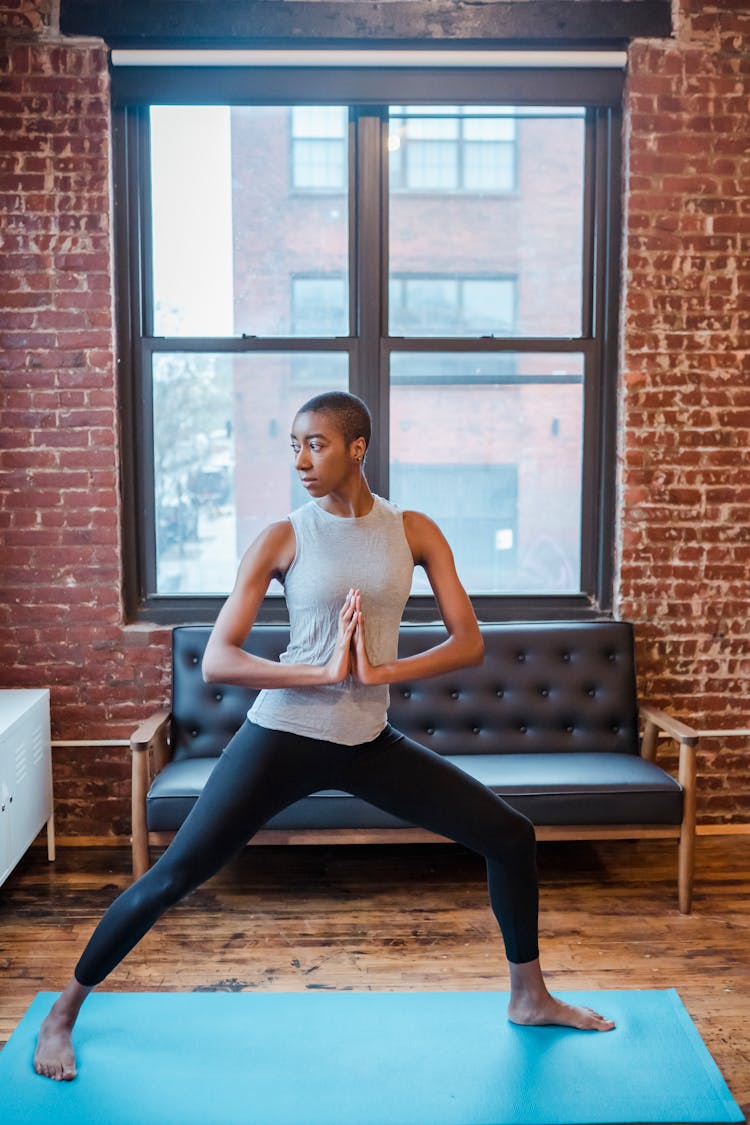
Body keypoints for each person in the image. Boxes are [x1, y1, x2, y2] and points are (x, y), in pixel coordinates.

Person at [34, 390, 614, 1081]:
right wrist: (315, 671)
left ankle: (529, 995)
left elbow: (469, 643)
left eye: (316, 443)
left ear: (357, 448)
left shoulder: (414, 530)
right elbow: (220, 657)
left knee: (511, 835)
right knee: (173, 877)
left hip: (369, 740)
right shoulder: (284, 536)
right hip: (281, 739)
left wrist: (383, 668)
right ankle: (63, 1012)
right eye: (293, 444)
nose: (301, 460)